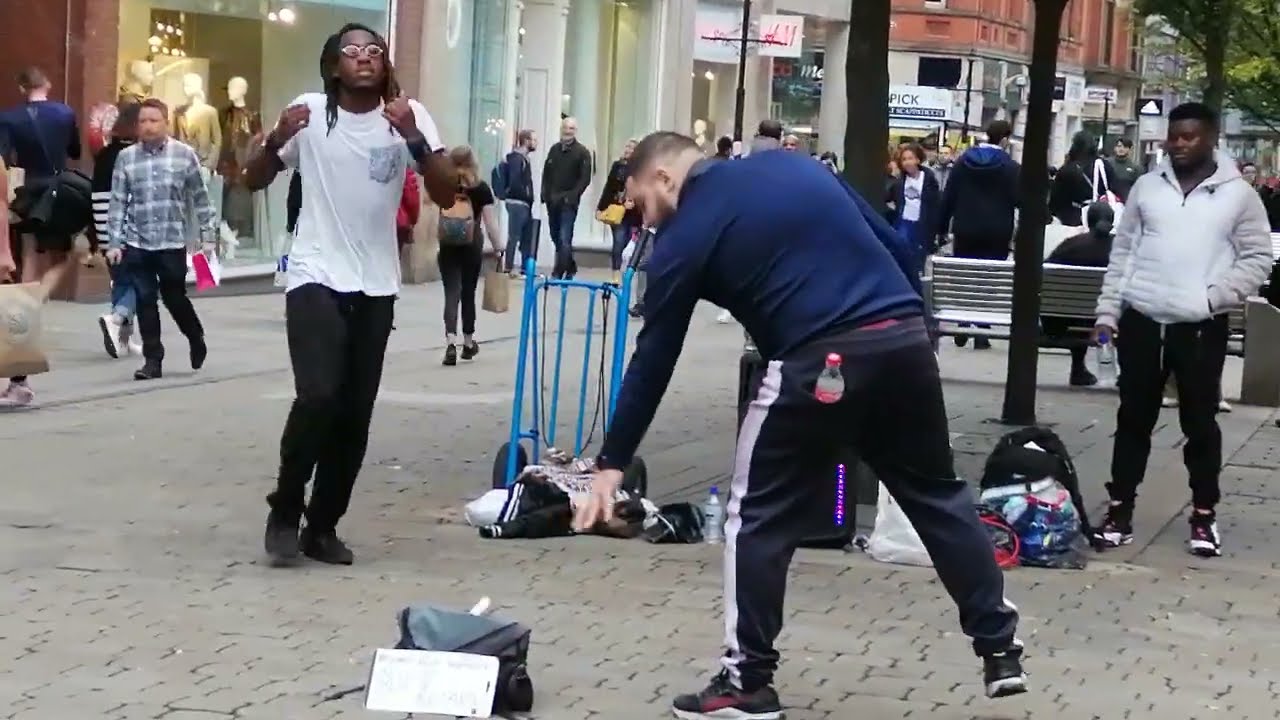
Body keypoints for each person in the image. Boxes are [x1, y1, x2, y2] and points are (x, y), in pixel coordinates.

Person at [573, 132, 1025, 719]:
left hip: (820, 361)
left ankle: (745, 682)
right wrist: (919, 328)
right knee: (936, 495)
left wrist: (613, 462)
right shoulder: (796, 166)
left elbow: (656, 353)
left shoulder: (684, 235)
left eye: (637, 199)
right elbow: (893, 244)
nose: (639, 216)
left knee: (755, 513)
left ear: (662, 177)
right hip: (903, 341)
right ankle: (999, 648)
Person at [243, 22, 455, 566]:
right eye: (351, 51)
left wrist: (414, 136)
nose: (364, 57)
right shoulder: (310, 113)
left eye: (374, 51)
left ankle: (323, 526)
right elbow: (252, 179)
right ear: (333, 65)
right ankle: (286, 508)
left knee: (354, 413)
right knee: (318, 396)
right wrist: (274, 139)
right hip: (315, 273)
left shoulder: (406, 116)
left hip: (377, 283)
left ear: (384, 64)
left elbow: (446, 190)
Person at [1092, 102, 1272, 558]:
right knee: (1133, 419)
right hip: (1142, 318)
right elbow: (1124, 253)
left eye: (1190, 136)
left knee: (1200, 422)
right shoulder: (1147, 188)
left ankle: (1204, 515)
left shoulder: (1238, 194)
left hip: (1199, 326)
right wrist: (1107, 314)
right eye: (1174, 135)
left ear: (1212, 138)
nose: (1179, 143)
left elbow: (1257, 258)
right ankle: (1119, 510)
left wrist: (1214, 297)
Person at [103, 98, 214, 382]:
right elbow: (117, 203)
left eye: (154, 120)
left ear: (165, 123)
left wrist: (208, 236)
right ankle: (153, 359)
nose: (148, 126)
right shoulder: (126, 157)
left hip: (171, 241)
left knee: (174, 297)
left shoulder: (184, 155)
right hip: (138, 242)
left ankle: (195, 335)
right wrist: (114, 242)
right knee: (144, 300)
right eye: (142, 121)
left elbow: (201, 198)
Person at [938, 120, 1020, 350]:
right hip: (997, 230)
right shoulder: (1010, 167)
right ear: (1004, 140)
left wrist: (941, 228)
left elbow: (949, 196)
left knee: (966, 276)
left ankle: (964, 321)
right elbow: (1019, 199)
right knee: (988, 279)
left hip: (966, 227)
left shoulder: (964, 162)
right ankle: (982, 329)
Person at [0, 67, 82, 284]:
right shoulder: (66, 112)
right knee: (61, 251)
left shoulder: (9, 118)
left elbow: (4, 156)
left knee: (29, 251)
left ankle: (28, 304)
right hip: (60, 188)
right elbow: (75, 151)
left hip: (29, 188)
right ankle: (44, 295)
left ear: (21, 88)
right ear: (47, 84)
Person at [440, 145, 504, 366]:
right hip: (471, 245)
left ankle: (450, 342)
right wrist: (498, 247)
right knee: (468, 292)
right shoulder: (480, 188)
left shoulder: (445, 185)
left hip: (447, 245)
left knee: (451, 292)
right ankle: (467, 342)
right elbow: (490, 222)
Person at [1044, 201, 1114, 387]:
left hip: (1063, 319)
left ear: (1088, 221)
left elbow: (1045, 274)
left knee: (1075, 307)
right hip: (1108, 321)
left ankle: (1078, 368)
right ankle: (1124, 374)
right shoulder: (1120, 249)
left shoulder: (1070, 246)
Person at [93, 101, 142, 360]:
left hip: (105, 229)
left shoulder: (105, 154)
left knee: (122, 280)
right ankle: (117, 318)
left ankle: (123, 338)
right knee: (141, 280)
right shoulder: (133, 155)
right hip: (126, 229)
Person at [541, 117, 592, 279]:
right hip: (552, 201)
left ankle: (559, 271)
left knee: (564, 237)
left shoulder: (582, 152)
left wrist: (572, 196)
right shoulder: (554, 150)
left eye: (571, 128)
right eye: (565, 128)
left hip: (568, 203)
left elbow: (584, 179)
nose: (567, 131)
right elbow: (546, 174)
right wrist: (545, 194)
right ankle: (570, 266)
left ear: (575, 131)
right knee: (555, 236)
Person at [889, 143, 942, 273]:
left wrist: (936, 228)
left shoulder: (929, 179)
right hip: (904, 222)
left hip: (922, 223)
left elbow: (935, 204)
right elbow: (889, 198)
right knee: (902, 254)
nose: (907, 162)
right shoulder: (899, 181)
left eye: (910, 158)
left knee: (919, 258)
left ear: (918, 159)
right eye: (904, 159)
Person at [596, 138, 641, 284]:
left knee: (629, 242)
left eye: (632, 148)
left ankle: (625, 271)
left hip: (634, 212)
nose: (628, 150)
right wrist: (601, 207)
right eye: (627, 147)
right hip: (618, 209)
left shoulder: (641, 169)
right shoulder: (618, 166)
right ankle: (616, 274)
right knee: (619, 241)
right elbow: (609, 187)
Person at [1049, 131, 1114, 226]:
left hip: (1073, 219)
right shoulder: (1104, 165)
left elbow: (1056, 201)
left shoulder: (1068, 169)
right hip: (1100, 217)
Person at [500, 129, 537, 275]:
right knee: (515, 235)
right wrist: (526, 194)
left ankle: (523, 267)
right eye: (534, 140)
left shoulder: (522, 158)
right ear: (526, 141)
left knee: (525, 235)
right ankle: (508, 267)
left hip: (522, 203)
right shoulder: (517, 158)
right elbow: (515, 181)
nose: (536, 143)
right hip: (517, 202)